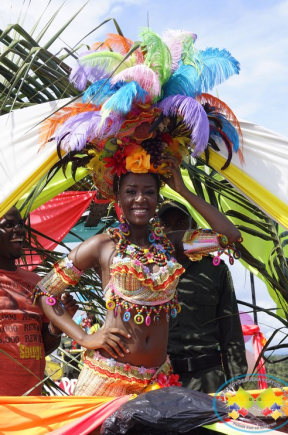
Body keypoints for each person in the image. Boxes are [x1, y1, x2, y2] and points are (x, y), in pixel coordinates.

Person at [33, 28, 244, 397]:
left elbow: (229, 236)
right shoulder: (101, 247)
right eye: (131, 191)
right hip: (107, 379)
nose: (140, 199)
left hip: (157, 381)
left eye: (149, 191)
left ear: (159, 197)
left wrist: (183, 190)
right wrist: (86, 336)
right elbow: (46, 292)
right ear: (118, 197)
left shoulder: (175, 245)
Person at [158, 201, 248, 393]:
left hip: (207, 380)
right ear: (157, 229)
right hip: (160, 380)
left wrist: (236, 386)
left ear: (193, 229)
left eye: (181, 223)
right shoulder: (144, 271)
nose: (173, 231)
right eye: (166, 224)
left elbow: (230, 332)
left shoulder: (214, 269)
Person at [0, 206, 78, 396]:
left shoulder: (38, 284)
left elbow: (42, 347)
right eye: (9, 225)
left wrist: (56, 327)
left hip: (33, 402)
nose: (19, 230)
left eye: (20, 224)